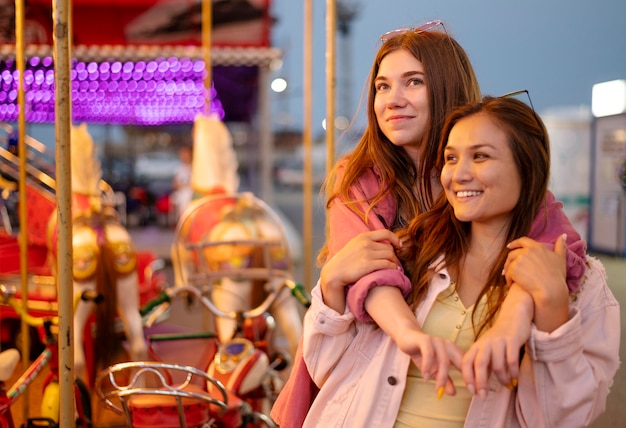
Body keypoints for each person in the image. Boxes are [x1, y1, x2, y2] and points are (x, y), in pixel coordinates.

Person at [271, 21, 586, 426]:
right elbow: (371, 274)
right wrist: (410, 334)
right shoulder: (360, 179)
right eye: (382, 87)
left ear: (448, 87)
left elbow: (557, 251)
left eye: (413, 82)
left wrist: (511, 317)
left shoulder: (488, 182)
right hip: (361, 388)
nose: (392, 100)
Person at [301, 95, 620, 427]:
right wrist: (331, 286)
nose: (458, 174)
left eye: (480, 156)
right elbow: (327, 368)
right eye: (451, 158)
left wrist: (553, 309)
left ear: (528, 168)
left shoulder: (581, 283)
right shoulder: (411, 252)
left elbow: (565, 418)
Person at [170, 145, 193, 219]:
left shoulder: (195, 168)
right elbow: (174, 184)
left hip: (191, 191)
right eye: (182, 154)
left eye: (186, 154)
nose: (184, 156)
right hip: (182, 193)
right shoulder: (178, 169)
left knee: (188, 195)